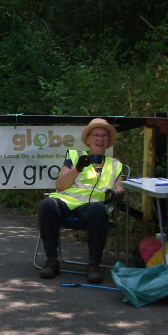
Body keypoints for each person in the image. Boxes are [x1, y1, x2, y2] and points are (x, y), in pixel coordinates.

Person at [37, 117, 125, 284]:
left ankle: (93, 264)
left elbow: (120, 189)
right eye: (96, 135)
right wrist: (78, 167)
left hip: (92, 207)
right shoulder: (74, 156)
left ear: (109, 141)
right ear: (88, 139)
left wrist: (116, 193)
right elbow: (60, 186)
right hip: (67, 200)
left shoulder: (115, 164)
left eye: (104, 135)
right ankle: (52, 260)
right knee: (47, 204)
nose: (100, 139)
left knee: (100, 210)